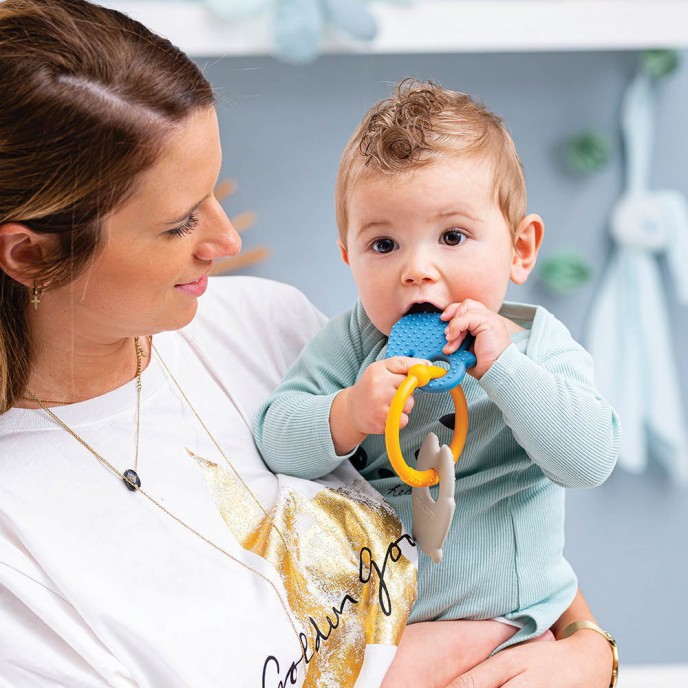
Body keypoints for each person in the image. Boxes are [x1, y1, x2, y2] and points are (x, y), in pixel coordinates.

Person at [0, 2, 617, 687]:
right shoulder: (20, 560)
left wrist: (591, 652)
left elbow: (536, 488)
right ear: (30, 255)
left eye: (213, 194)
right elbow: (286, 434)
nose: (228, 242)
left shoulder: (262, 322)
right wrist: (350, 411)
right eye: (179, 223)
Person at [255, 80, 621, 685]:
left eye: (452, 237)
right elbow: (274, 437)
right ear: (348, 255)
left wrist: (503, 368)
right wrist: (346, 412)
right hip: (389, 631)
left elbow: (589, 460)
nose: (416, 270)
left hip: (528, 618)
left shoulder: (538, 343)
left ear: (520, 249)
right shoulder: (352, 345)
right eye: (383, 243)